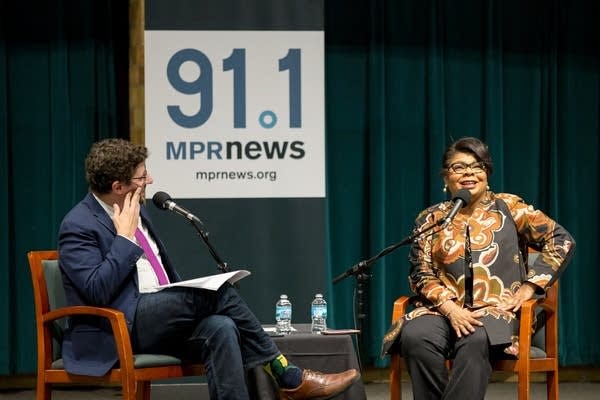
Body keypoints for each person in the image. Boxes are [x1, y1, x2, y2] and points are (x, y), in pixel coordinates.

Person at [58, 138, 360, 400]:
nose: (149, 181)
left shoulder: (138, 209)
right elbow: (96, 291)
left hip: (155, 316)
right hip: (119, 327)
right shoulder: (79, 225)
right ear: (118, 186)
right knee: (217, 295)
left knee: (221, 327)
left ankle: (285, 379)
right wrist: (124, 238)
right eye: (141, 177)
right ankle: (287, 375)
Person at [381, 137, 575, 399]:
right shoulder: (431, 218)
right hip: (441, 310)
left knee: (474, 338)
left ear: (486, 173)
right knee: (416, 337)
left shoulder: (510, 208)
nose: (469, 173)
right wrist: (450, 309)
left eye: (477, 166)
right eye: (459, 167)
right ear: (445, 177)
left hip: (498, 311)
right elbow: (420, 272)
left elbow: (561, 240)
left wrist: (530, 287)